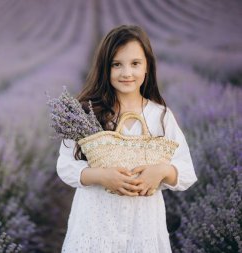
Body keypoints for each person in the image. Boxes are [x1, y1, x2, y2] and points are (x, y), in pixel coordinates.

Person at [56, 25, 198, 252]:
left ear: (147, 67)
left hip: (143, 227)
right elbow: (65, 166)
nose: (126, 73)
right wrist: (101, 176)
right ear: (105, 68)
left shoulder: (160, 115)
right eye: (116, 64)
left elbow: (187, 172)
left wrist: (161, 171)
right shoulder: (86, 114)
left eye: (135, 64)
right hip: (95, 225)